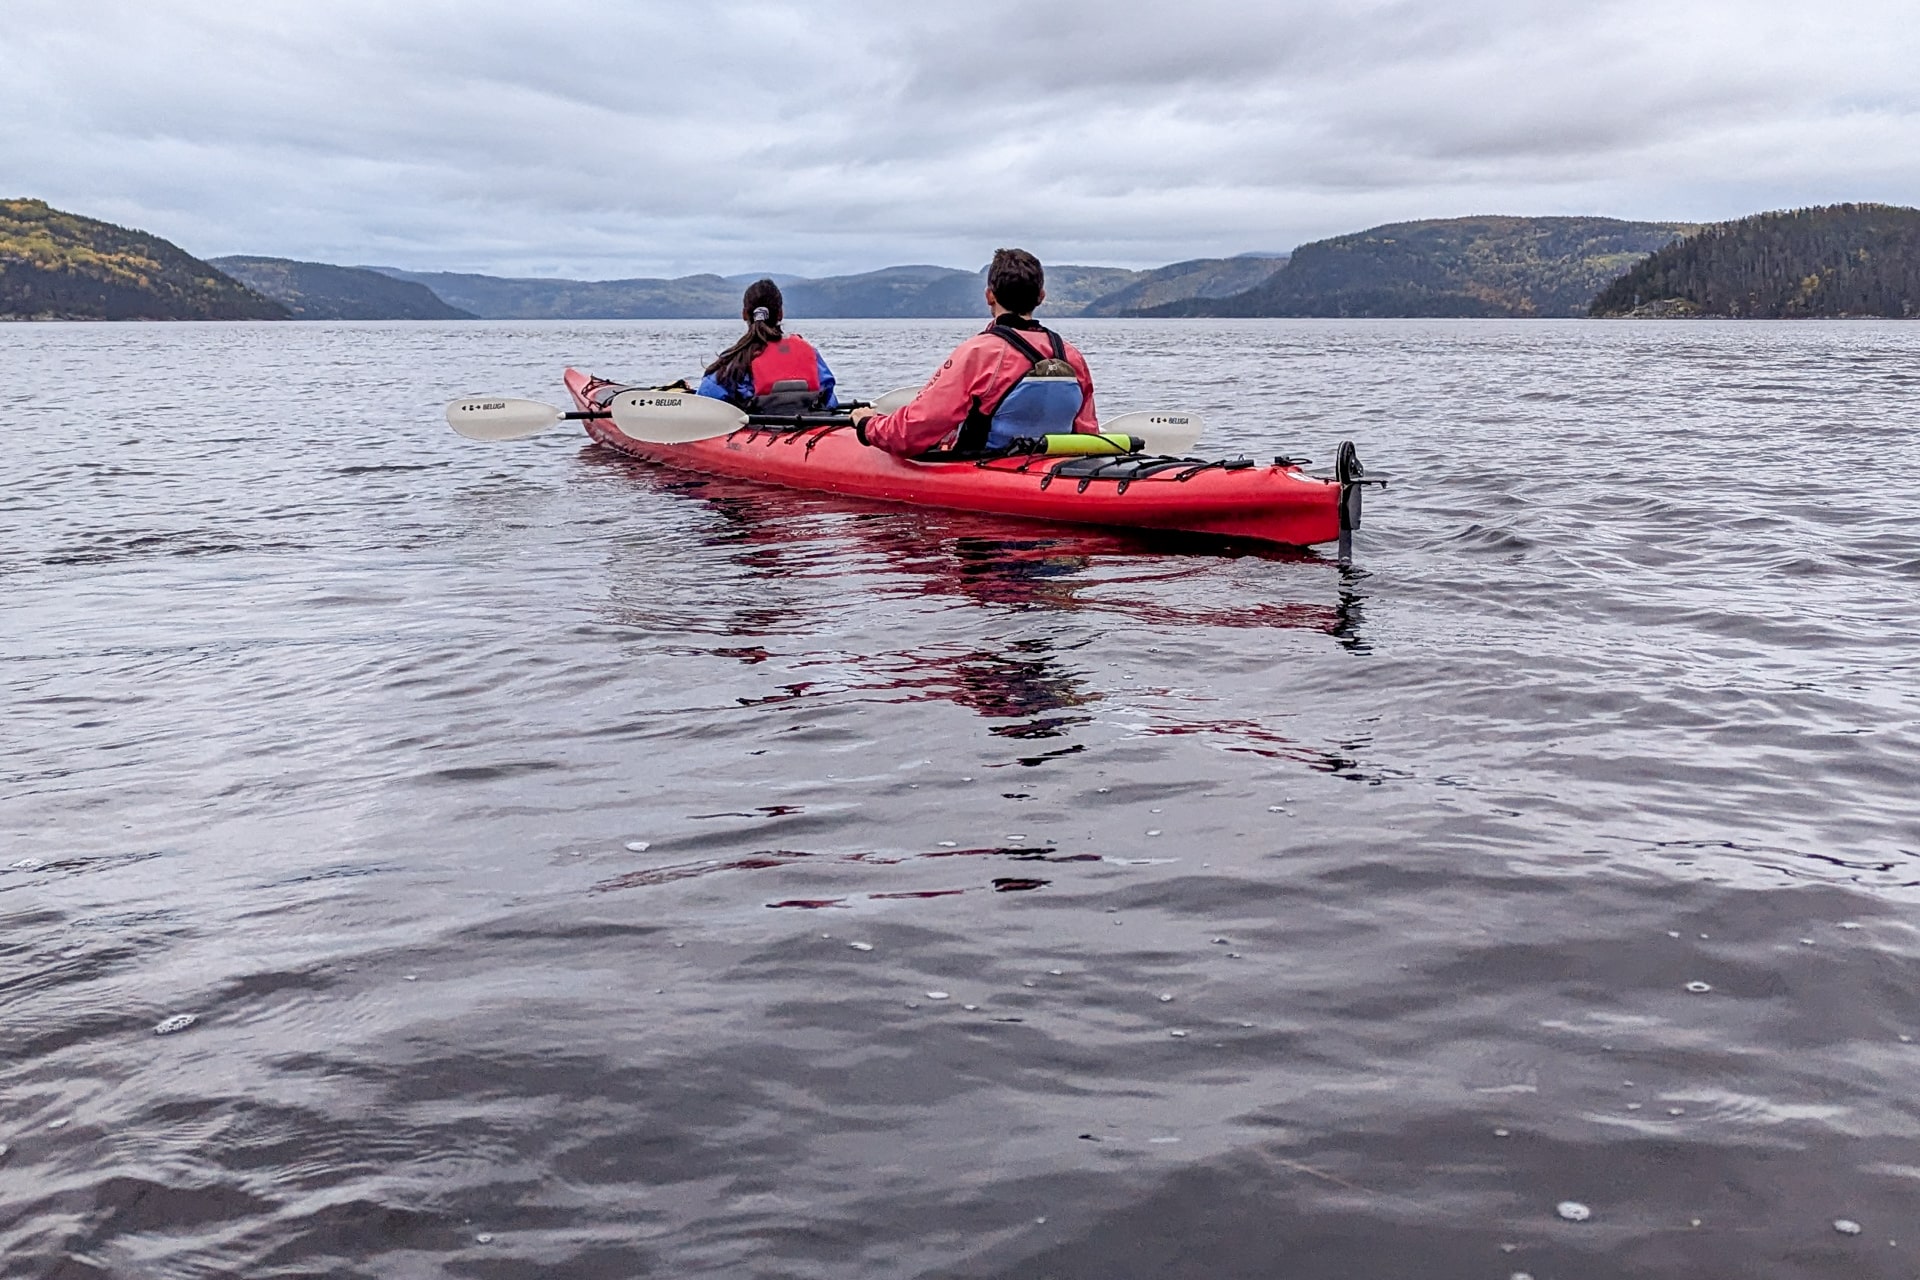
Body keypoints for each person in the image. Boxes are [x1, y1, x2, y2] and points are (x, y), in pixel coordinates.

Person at [848, 248, 1097, 456]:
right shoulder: (1070, 355)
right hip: (1053, 467)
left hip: (985, 468)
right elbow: (1087, 433)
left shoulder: (978, 353)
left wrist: (868, 425)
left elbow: (915, 430)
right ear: (1041, 297)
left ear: (989, 296)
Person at [697, 278, 838, 414]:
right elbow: (830, 402)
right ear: (780, 314)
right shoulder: (811, 354)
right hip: (809, 429)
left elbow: (706, 401)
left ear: (745, 314)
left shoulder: (733, 363)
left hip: (755, 432)